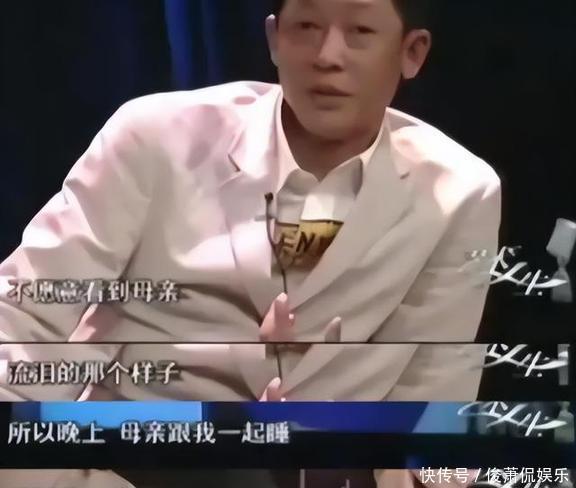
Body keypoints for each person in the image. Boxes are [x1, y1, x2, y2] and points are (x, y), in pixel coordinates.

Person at [0, 0, 499, 485]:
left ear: (411, 52)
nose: (328, 55)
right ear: (274, 39)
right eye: (306, 26)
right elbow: (25, 313)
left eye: (360, 32)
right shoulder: (158, 138)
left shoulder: (458, 192)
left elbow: (434, 398)